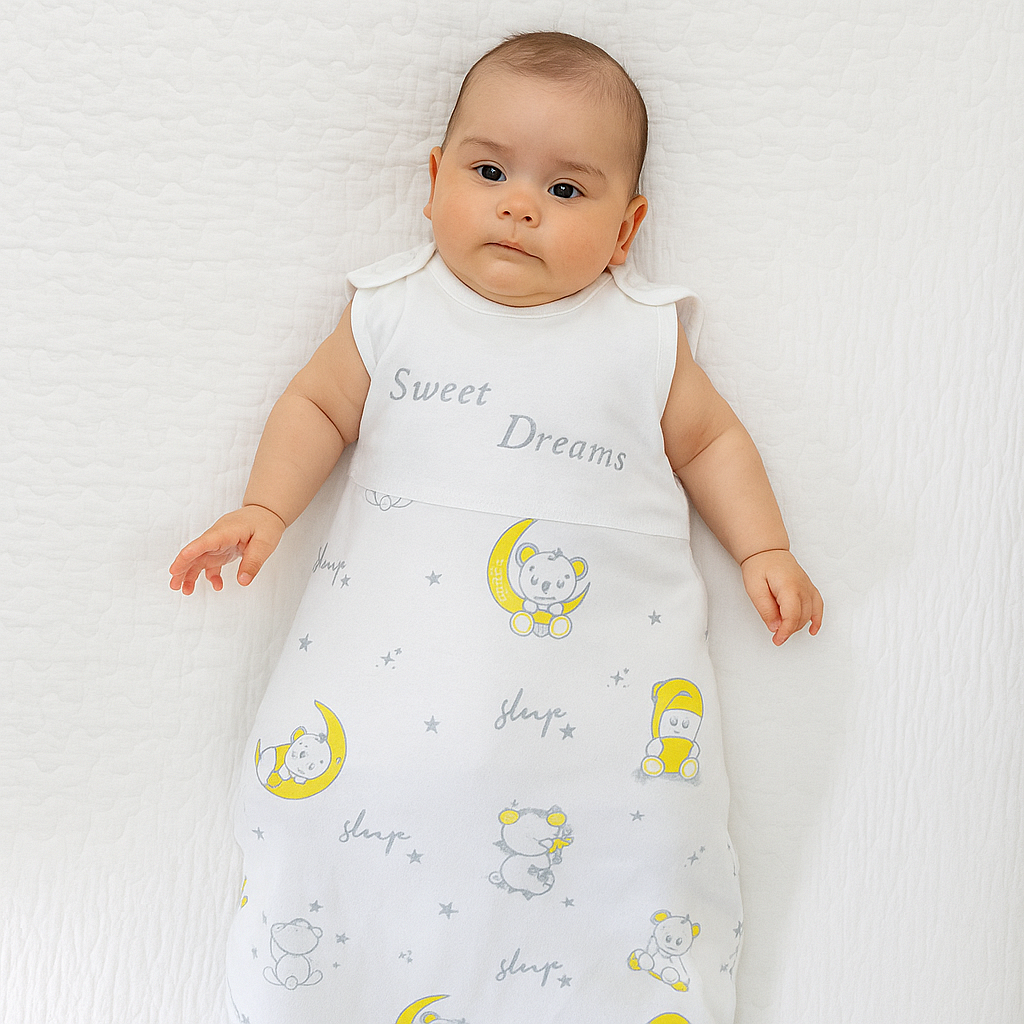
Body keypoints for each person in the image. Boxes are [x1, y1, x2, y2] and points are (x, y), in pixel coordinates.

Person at [171, 31, 821, 1024]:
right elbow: (318, 407)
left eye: (566, 189)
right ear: (434, 182)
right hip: (395, 701)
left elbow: (710, 442)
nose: (521, 205)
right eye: (489, 173)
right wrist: (265, 508)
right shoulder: (393, 310)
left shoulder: (641, 335)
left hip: (594, 715)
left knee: (636, 845)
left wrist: (763, 546)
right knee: (340, 822)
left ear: (625, 229)